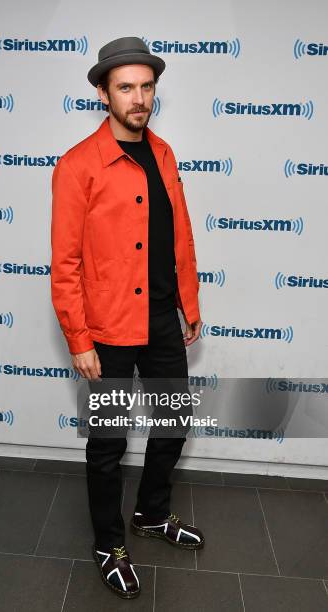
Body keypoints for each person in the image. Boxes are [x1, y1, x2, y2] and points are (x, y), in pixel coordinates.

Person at [50, 36, 205, 599]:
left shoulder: (163, 153)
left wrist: (189, 302)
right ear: (102, 93)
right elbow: (64, 261)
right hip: (108, 330)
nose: (138, 98)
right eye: (125, 87)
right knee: (108, 444)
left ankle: (151, 515)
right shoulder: (76, 166)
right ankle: (109, 544)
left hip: (164, 318)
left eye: (146, 87)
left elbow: (179, 234)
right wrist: (78, 339)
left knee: (173, 425)